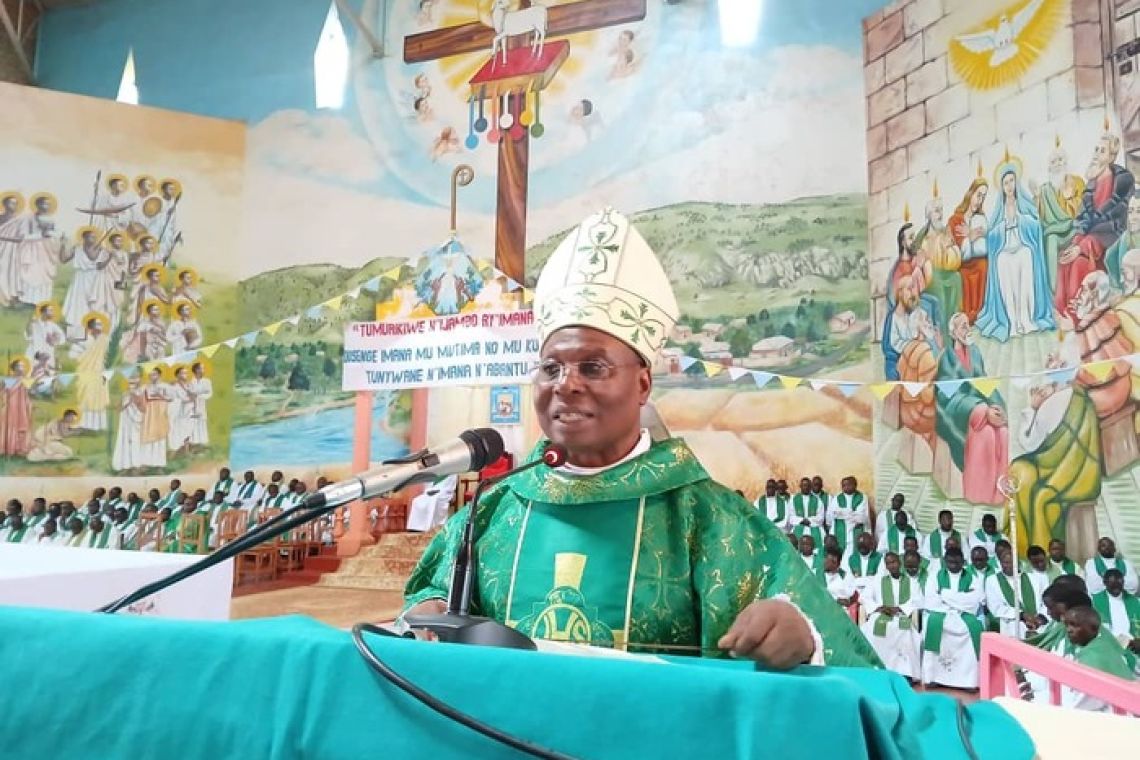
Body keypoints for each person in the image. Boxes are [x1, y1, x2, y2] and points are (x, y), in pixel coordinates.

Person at [403, 209, 879, 667]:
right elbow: (436, 594)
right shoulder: (497, 507)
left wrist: (800, 636)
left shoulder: (704, 517)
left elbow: (816, 631)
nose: (565, 383)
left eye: (592, 367)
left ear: (643, 385)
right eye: (551, 367)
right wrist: (430, 611)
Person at [1055, 132, 1136, 326]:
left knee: (1079, 259)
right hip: (1091, 233)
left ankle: (1078, 315)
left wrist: (1082, 245)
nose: (1097, 154)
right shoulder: (1091, 182)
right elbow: (1083, 216)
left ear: (1111, 156)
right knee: (1067, 255)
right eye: (1096, 149)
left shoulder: (1123, 180)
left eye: (1103, 151)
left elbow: (1115, 214)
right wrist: (1078, 238)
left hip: (1110, 232)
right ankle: (1063, 310)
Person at [976, 155, 1055, 340]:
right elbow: (992, 234)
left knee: (1027, 257)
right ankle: (1011, 322)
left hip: (1022, 247)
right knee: (1002, 264)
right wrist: (1002, 227)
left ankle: (1026, 320)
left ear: (1016, 182)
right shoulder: (999, 209)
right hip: (1005, 251)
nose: (1009, 185)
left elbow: (1036, 225)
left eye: (1012, 181)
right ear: (1002, 187)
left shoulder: (1024, 203)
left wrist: (1020, 220)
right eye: (1006, 183)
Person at [934, 313, 1008, 505]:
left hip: (975, 404)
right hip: (953, 410)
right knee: (985, 434)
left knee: (1002, 432)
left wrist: (997, 406)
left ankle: (997, 492)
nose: (968, 330)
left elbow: (983, 381)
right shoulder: (946, 358)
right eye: (963, 326)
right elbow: (945, 394)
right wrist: (981, 409)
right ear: (953, 332)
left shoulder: (975, 352)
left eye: (968, 325)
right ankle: (978, 493)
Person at [921, 548, 985, 689]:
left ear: (963, 562)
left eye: (957, 562)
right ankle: (933, 677)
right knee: (932, 624)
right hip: (942, 615)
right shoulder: (934, 576)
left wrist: (945, 595)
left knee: (973, 630)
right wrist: (957, 601)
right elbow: (931, 600)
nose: (954, 566)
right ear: (945, 561)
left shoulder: (972, 578)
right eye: (950, 562)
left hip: (964, 616)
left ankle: (968, 681)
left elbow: (973, 601)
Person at [861, 552, 922, 681]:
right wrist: (880, 607)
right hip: (881, 613)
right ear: (886, 566)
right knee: (872, 628)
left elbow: (917, 599)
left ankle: (905, 672)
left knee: (905, 632)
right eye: (889, 563)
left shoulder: (911, 581)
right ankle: (877, 668)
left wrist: (899, 608)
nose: (892, 566)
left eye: (894, 562)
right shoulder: (878, 580)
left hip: (901, 615)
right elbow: (864, 597)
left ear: (899, 563)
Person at [1061, 606, 1136, 711]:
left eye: (1075, 625)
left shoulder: (1093, 657)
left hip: (1121, 713)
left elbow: (1084, 705)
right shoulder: (1101, 645)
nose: (1069, 630)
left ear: (1093, 628)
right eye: (1067, 625)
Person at [985, 550, 1039, 639]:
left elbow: (1042, 603)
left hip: (1037, 624)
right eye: (1005, 562)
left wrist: (1039, 618)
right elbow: (996, 607)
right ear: (1000, 563)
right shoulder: (992, 580)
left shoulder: (1033, 578)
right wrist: (1021, 615)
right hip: (1011, 625)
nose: (1008, 566)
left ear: (1018, 562)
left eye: (1012, 562)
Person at [1091, 568, 1140, 651]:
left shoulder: (1136, 601)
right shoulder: (1094, 601)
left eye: (1119, 583)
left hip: (1133, 644)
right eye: (1112, 584)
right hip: (1107, 645)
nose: (1116, 587)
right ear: (1104, 583)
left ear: (1123, 582)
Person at [112, 376, 145, 473]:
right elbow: (118, 409)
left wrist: (134, 398)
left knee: (135, 441)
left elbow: (143, 409)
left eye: (134, 383)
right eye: (130, 383)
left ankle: (136, 465)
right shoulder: (124, 394)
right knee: (125, 442)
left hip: (136, 421)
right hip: (125, 422)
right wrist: (127, 403)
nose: (132, 386)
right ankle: (126, 465)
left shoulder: (141, 394)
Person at [826, 476, 867, 553]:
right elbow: (831, 514)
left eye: (848, 485)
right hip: (838, 531)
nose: (846, 487)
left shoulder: (862, 497)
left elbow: (861, 517)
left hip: (854, 532)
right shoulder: (837, 498)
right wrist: (851, 513)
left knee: (852, 553)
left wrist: (842, 513)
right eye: (843, 485)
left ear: (855, 485)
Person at [845, 531, 885, 599]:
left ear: (871, 545)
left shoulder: (879, 558)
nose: (862, 549)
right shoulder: (852, 559)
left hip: (873, 594)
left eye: (864, 546)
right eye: (860, 546)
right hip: (856, 594)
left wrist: (859, 581)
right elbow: (848, 580)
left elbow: (879, 578)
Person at [790, 477, 826, 547]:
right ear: (800, 486)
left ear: (811, 487)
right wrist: (801, 520)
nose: (806, 487)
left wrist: (809, 520)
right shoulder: (793, 500)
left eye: (808, 485)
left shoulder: (818, 500)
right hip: (799, 526)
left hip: (815, 527)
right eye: (804, 485)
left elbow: (821, 517)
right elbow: (791, 517)